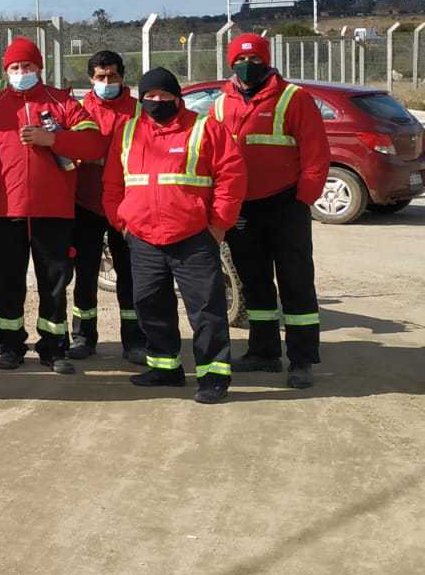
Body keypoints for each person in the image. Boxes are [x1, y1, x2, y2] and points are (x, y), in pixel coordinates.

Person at [0, 37, 105, 374]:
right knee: (7, 283)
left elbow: (94, 144)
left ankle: (53, 348)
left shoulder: (63, 103)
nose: (21, 72)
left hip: (52, 212)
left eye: (27, 66)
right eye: (14, 67)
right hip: (5, 213)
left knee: (53, 284)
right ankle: (11, 346)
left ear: (38, 68)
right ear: (5, 71)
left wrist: (53, 138)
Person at [104, 67, 246, 404]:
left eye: (164, 96)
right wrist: (122, 225)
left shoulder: (205, 128)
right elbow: (112, 184)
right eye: (150, 97)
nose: (156, 102)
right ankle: (165, 368)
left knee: (206, 310)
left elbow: (231, 177)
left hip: (194, 237)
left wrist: (218, 226)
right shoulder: (128, 132)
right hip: (143, 238)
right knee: (151, 307)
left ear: (177, 97)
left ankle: (213, 377)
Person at [213, 33, 331, 389]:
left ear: (266, 62)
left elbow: (316, 152)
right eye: (238, 61)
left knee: (296, 283)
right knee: (255, 283)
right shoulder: (221, 103)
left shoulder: (294, 98)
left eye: (253, 60)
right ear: (230, 64)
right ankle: (263, 352)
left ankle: (302, 360)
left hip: (286, 205)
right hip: (243, 209)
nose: (246, 67)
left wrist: (303, 200)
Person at [69, 50, 143, 363]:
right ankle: (83, 337)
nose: (106, 82)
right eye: (100, 77)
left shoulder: (140, 110)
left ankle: (135, 341)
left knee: (130, 276)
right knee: (84, 274)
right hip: (86, 203)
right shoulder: (80, 110)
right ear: (91, 80)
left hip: (128, 205)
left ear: (122, 76)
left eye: (112, 76)